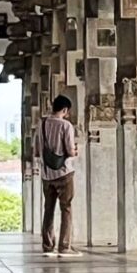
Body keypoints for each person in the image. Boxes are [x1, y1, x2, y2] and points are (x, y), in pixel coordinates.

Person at [37, 95, 80, 256]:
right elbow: (69, 151)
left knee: (48, 210)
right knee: (66, 209)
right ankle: (64, 246)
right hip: (64, 173)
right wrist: (76, 151)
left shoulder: (41, 125)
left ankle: (48, 246)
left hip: (47, 175)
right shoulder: (66, 125)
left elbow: (36, 151)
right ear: (65, 110)